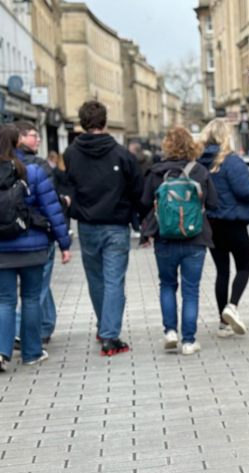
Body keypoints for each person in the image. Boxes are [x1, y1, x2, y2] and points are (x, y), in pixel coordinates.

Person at [63, 100, 145, 357]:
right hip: (116, 225)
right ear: (105, 122)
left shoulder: (71, 153)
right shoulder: (122, 154)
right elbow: (138, 190)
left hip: (86, 224)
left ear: (82, 123)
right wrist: (139, 219)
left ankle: (104, 327)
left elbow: (70, 186)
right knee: (113, 281)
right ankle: (110, 335)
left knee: (96, 280)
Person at [0, 125, 71, 372]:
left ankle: (1, 351)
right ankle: (31, 352)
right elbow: (52, 210)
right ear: (18, 143)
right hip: (34, 246)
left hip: (2, 250)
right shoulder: (33, 172)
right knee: (31, 298)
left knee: (5, 301)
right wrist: (64, 244)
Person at [140, 127, 217, 355]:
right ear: (190, 146)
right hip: (195, 239)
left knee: (167, 285)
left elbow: (144, 202)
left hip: (164, 238)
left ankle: (170, 332)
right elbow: (213, 203)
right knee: (190, 291)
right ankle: (189, 341)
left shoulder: (156, 172)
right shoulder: (199, 171)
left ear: (167, 145)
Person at [198, 119, 249, 338]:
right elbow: (245, 191)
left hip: (212, 224)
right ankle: (232, 306)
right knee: (243, 268)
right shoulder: (231, 161)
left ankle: (223, 324)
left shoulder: (200, 162)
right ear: (225, 136)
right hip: (234, 225)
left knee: (222, 272)